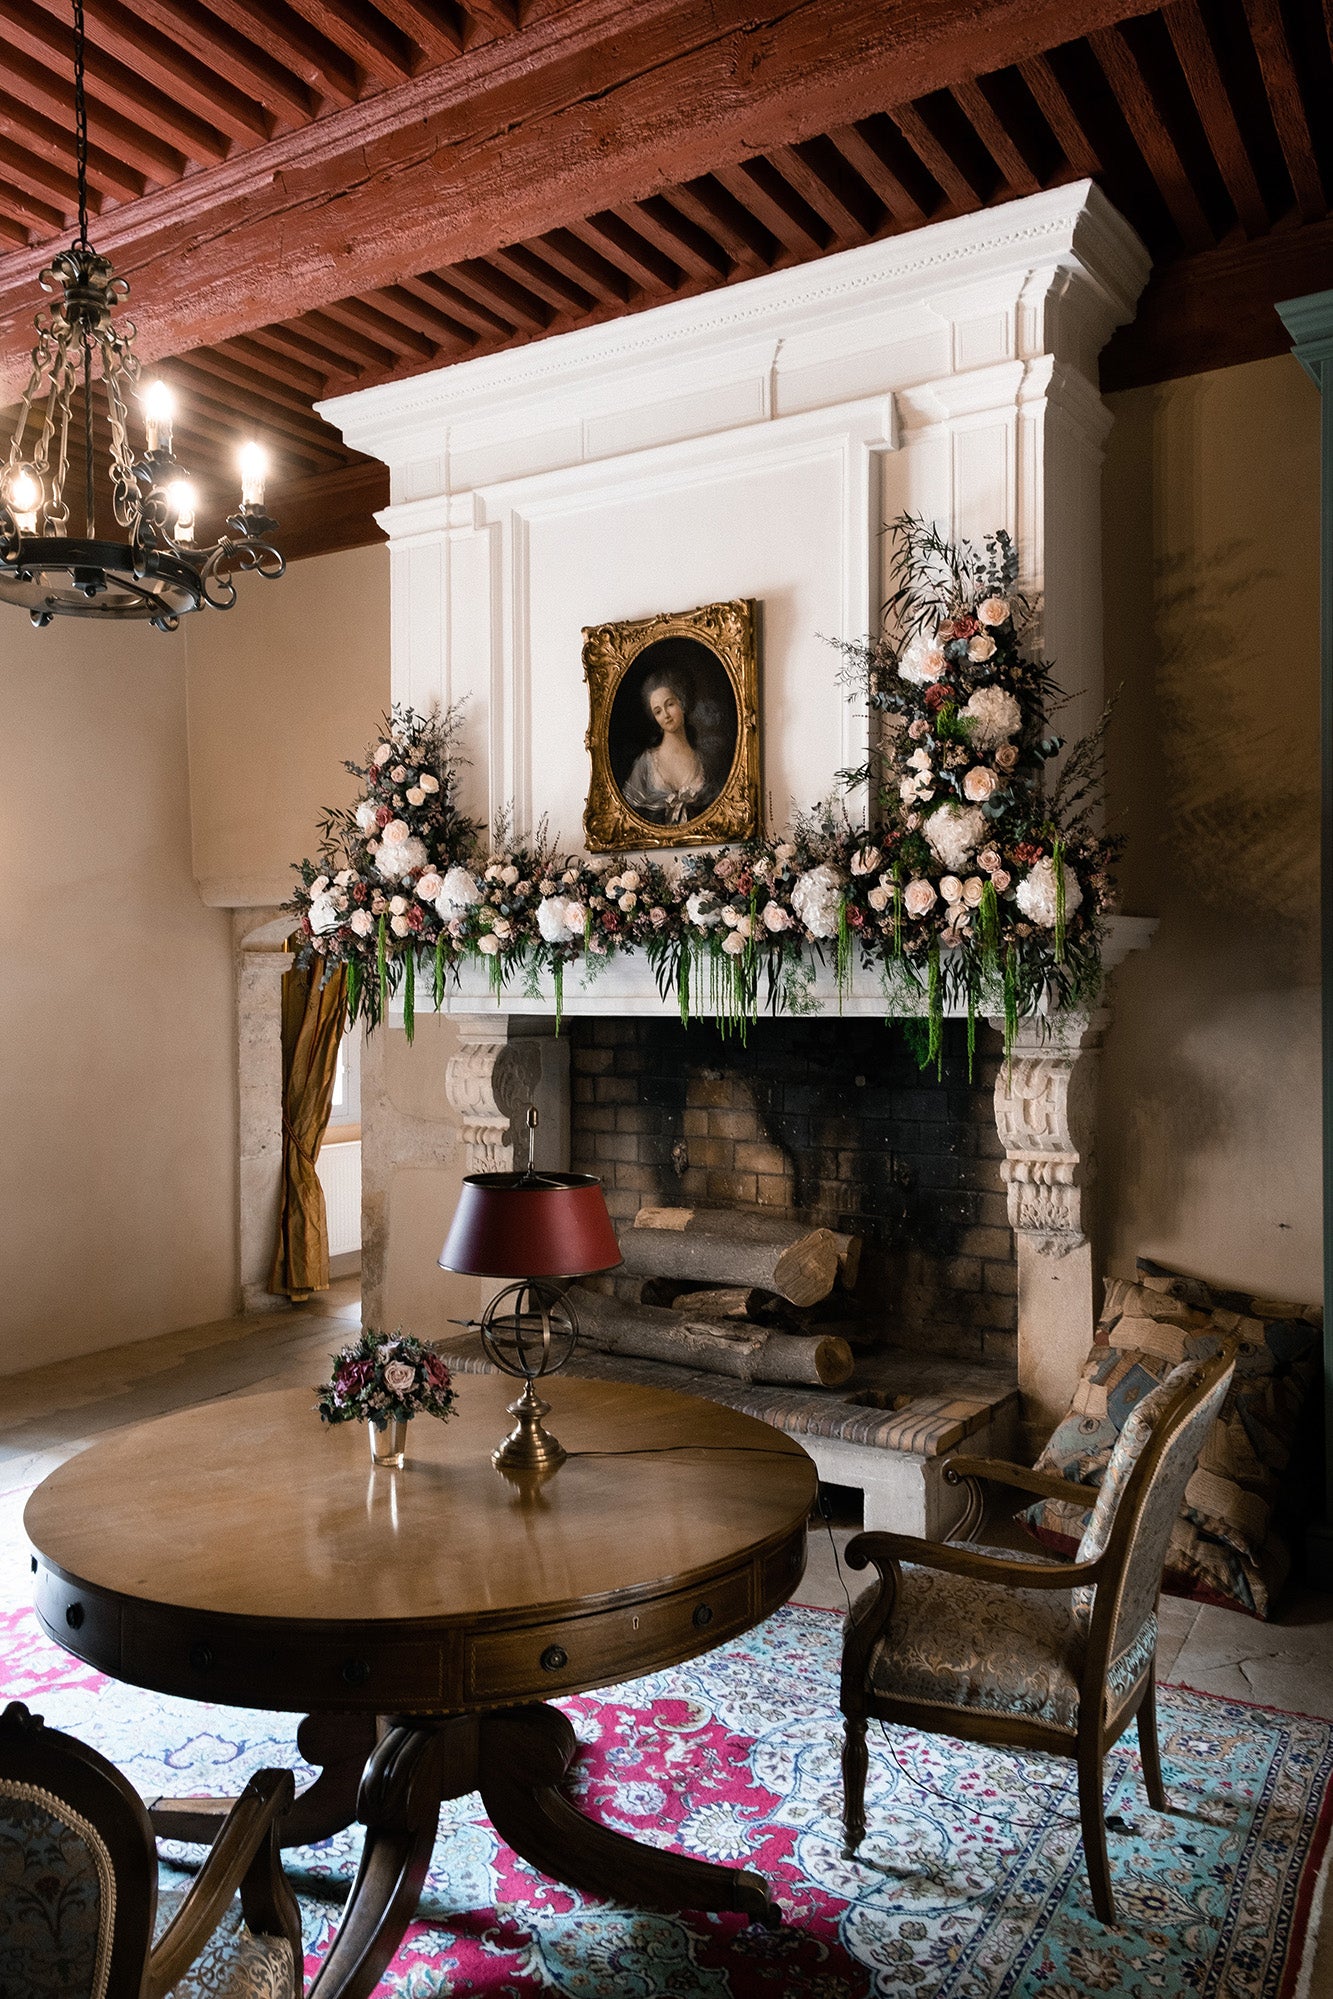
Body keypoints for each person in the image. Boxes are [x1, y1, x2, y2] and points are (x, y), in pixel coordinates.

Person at [620, 670, 724, 825]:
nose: (666, 714)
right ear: (655, 718)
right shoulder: (646, 763)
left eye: (670, 704)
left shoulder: (703, 761)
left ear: (682, 703)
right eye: (658, 711)